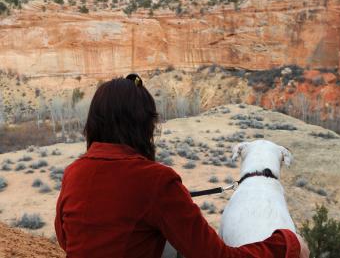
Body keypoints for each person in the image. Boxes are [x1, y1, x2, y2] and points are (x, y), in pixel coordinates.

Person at [55, 74, 309, 258]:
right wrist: (286, 244)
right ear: (144, 126)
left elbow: (66, 240)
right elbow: (215, 255)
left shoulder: (73, 173)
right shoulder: (155, 181)